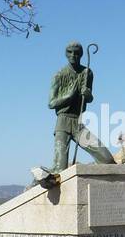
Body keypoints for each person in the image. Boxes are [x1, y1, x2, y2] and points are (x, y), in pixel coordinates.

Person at [48, 41, 113, 173]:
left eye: (77, 53)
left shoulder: (87, 73)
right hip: (63, 122)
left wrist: (88, 94)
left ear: (81, 55)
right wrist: (69, 96)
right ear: (66, 54)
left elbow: (89, 98)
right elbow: (51, 103)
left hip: (78, 123)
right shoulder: (59, 75)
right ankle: (38, 180)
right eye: (70, 52)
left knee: (107, 159)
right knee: (59, 169)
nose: (73, 55)